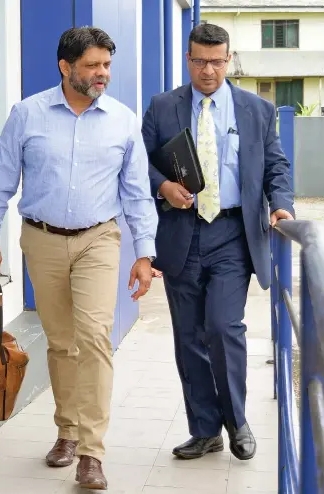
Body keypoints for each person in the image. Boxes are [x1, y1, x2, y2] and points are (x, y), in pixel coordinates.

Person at [0, 26, 158, 490]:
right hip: (42, 238)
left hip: (99, 238)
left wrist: (145, 253)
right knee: (61, 343)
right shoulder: (27, 114)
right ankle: (67, 432)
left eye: (107, 66)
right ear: (65, 67)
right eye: (93, 65)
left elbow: (137, 194)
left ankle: (92, 453)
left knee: (94, 337)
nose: (103, 74)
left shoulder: (122, 120)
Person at [142, 23, 294, 462]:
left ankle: (238, 422)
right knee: (188, 335)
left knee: (224, 328)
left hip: (232, 234)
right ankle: (205, 430)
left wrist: (281, 205)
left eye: (217, 61)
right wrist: (164, 187)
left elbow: (276, 168)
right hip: (181, 233)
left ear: (229, 60)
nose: (208, 70)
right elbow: (142, 165)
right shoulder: (162, 106)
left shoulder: (256, 110)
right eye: (199, 60)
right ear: (188, 59)